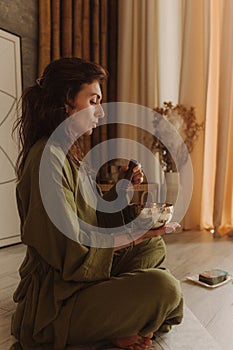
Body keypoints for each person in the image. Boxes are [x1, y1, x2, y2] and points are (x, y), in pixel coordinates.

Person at [11, 57, 183, 350]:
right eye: (93, 100)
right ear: (67, 101)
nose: (101, 111)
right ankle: (116, 325)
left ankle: (120, 321)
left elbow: (91, 218)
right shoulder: (46, 159)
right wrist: (135, 234)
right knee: (163, 288)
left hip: (80, 278)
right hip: (56, 301)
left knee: (153, 248)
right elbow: (71, 248)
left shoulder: (66, 151)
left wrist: (123, 189)